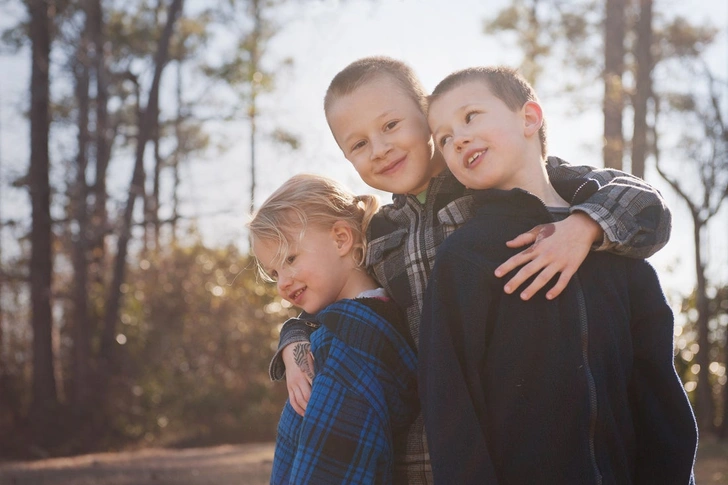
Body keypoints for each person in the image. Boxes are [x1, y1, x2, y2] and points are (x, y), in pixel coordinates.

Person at [271, 56, 674, 483]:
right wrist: (294, 342)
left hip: (509, 440)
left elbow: (643, 204)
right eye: (358, 144)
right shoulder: (377, 232)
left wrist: (584, 225)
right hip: (416, 453)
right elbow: (340, 305)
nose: (380, 149)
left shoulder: (493, 180)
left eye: (390, 126)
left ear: (427, 118)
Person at [420, 65, 698, 484]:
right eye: (442, 138)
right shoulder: (465, 256)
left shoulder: (619, 251)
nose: (456, 138)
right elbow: (451, 407)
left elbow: (658, 395)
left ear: (530, 117)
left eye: (470, 116)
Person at [248, 174, 419, 484]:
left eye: (291, 258)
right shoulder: (354, 322)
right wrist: (293, 338)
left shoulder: (351, 341)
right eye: (275, 272)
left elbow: (332, 459)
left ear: (341, 238)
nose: (283, 282)